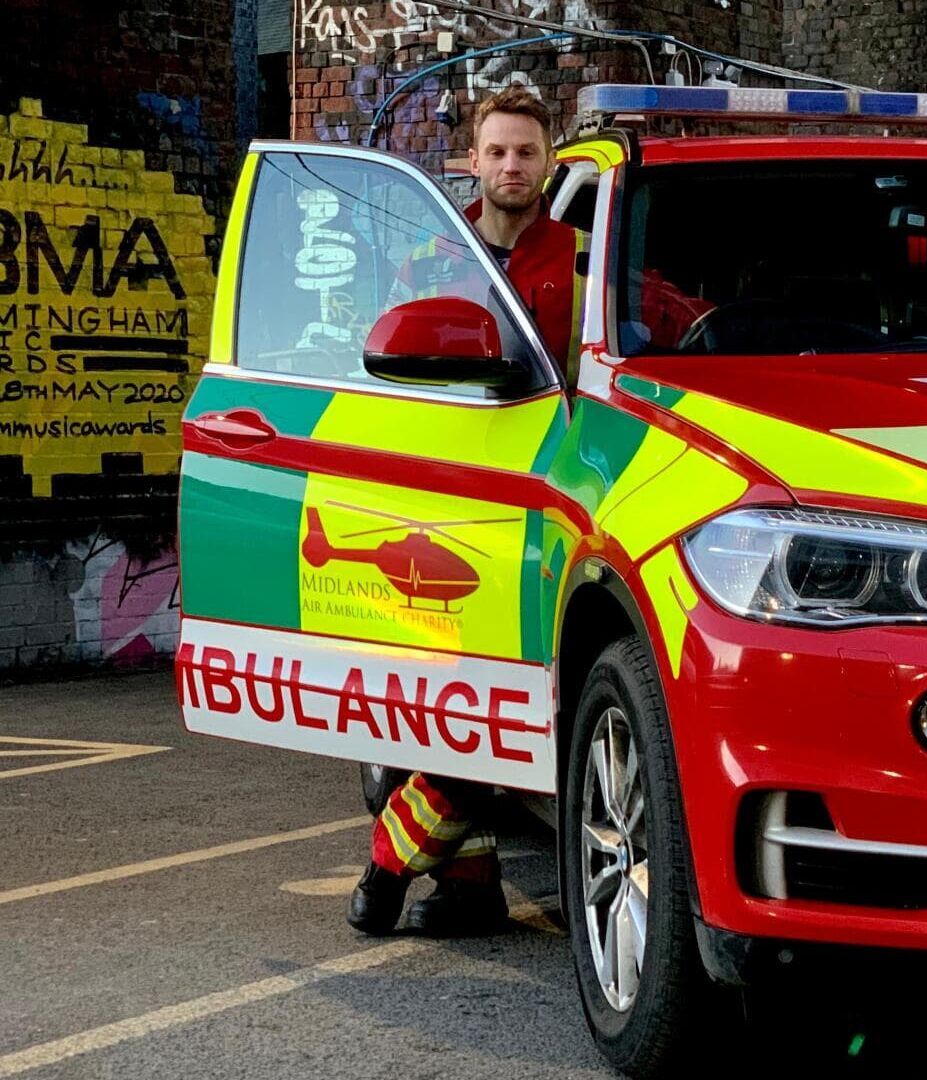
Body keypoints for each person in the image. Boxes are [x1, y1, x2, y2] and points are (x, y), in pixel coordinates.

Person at [348, 85, 579, 938]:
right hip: (443, 509)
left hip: (542, 519)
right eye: (498, 151)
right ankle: (471, 885)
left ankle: (384, 867)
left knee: (504, 708)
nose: (512, 166)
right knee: (429, 702)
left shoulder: (584, 261)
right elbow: (390, 373)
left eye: (526, 151)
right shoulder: (431, 263)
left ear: (548, 161)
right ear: (473, 161)